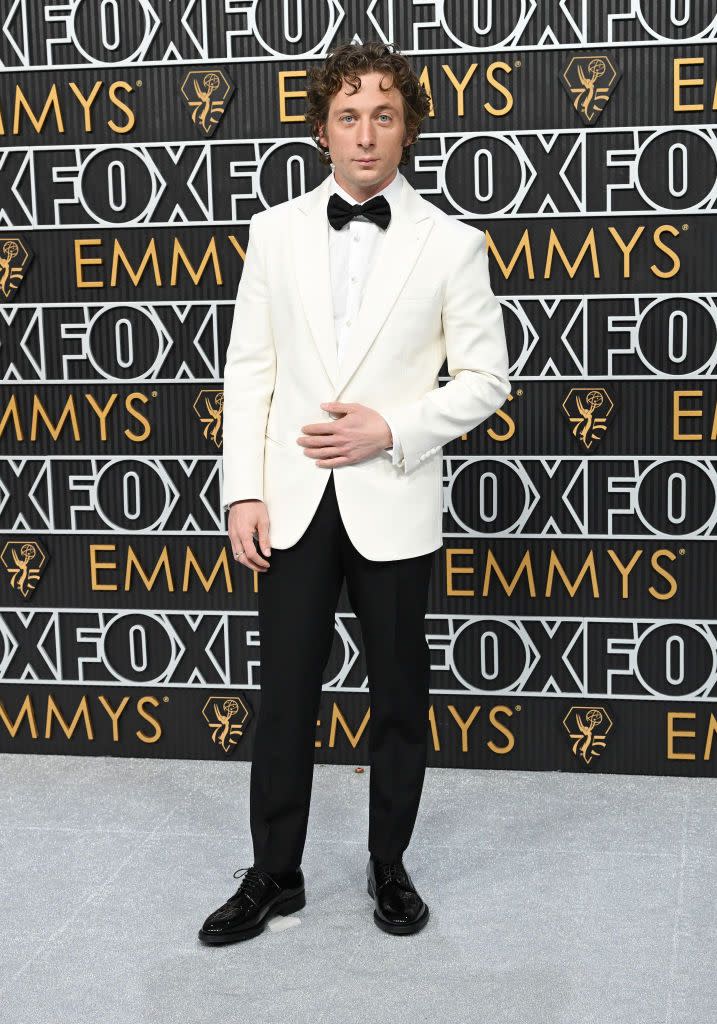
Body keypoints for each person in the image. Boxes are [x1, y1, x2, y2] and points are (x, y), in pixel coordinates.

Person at [198, 39, 510, 945]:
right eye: (347, 114)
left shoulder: (451, 245)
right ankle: (273, 875)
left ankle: (389, 866)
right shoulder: (274, 230)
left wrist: (393, 428)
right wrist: (242, 493)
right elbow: (248, 371)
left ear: (407, 126)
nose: (365, 132)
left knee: (400, 700)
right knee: (286, 695)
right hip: (289, 503)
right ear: (322, 130)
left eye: (382, 113)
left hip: (393, 497)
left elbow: (485, 378)